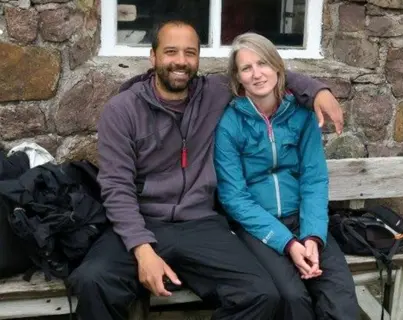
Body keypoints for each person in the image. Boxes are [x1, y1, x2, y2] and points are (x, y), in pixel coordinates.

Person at [66, 18, 344, 320]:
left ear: (199, 58)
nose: (181, 62)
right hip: (143, 222)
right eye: (171, 52)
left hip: (200, 224)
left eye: (190, 53)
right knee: (92, 280)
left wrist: (318, 91)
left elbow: (268, 73)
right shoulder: (122, 110)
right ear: (153, 56)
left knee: (262, 295)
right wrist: (142, 249)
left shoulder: (214, 91)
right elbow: (116, 188)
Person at [214, 32, 358, 320]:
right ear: (237, 78)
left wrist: (313, 236)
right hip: (258, 227)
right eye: (246, 68)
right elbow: (234, 197)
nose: (257, 74)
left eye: (263, 63)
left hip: (303, 218)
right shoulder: (230, 124)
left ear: (278, 67)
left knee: (339, 296)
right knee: (292, 298)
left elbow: (314, 180)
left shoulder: (302, 116)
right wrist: (288, 243)